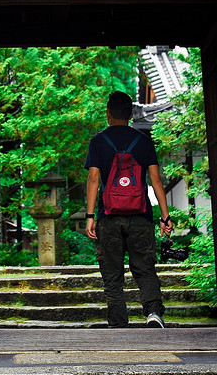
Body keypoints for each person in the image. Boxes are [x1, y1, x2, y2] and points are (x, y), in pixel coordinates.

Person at [84, 90, 174, 328]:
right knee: (145, 268)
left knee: (112, 274)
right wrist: (165, 216)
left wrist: (90, 216)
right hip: (140, 217)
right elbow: (156, 181)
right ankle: (153, 313)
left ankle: (118, 322)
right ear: (132, 114)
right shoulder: (143, 142)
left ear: (108, 114)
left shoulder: (98, 142)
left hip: (108, 217)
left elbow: (94, 179)